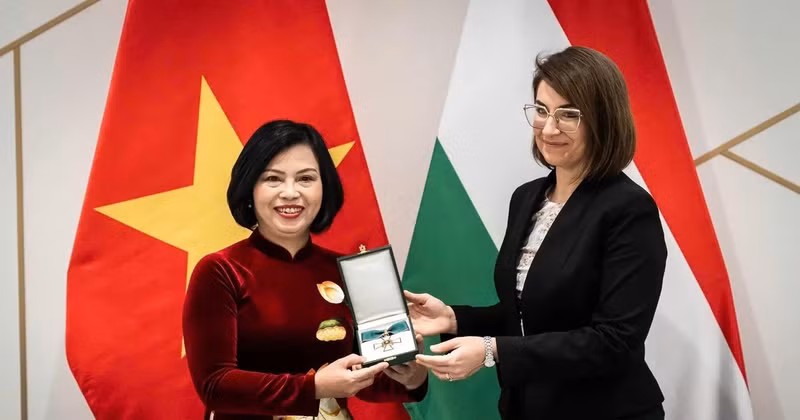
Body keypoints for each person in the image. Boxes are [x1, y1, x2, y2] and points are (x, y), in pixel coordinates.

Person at [406, 46, 667, 420]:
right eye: (542, 110)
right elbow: (529, 314)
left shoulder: (629, 208)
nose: (548, 128)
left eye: (569, 115)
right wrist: (453, 318)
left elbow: (615, 341)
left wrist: (493, 350)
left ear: (604, 120)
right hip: (526, 407)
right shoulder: (527, 197)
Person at [183, 120, 427, 420]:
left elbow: (363, 380)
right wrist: (313, 387)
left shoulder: (345, 271)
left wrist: (411, 375)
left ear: (325, 187)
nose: (290, 193)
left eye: (306, 178)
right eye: (273, 179)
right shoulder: (221, 271)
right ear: (250, 187)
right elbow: (215, 385)